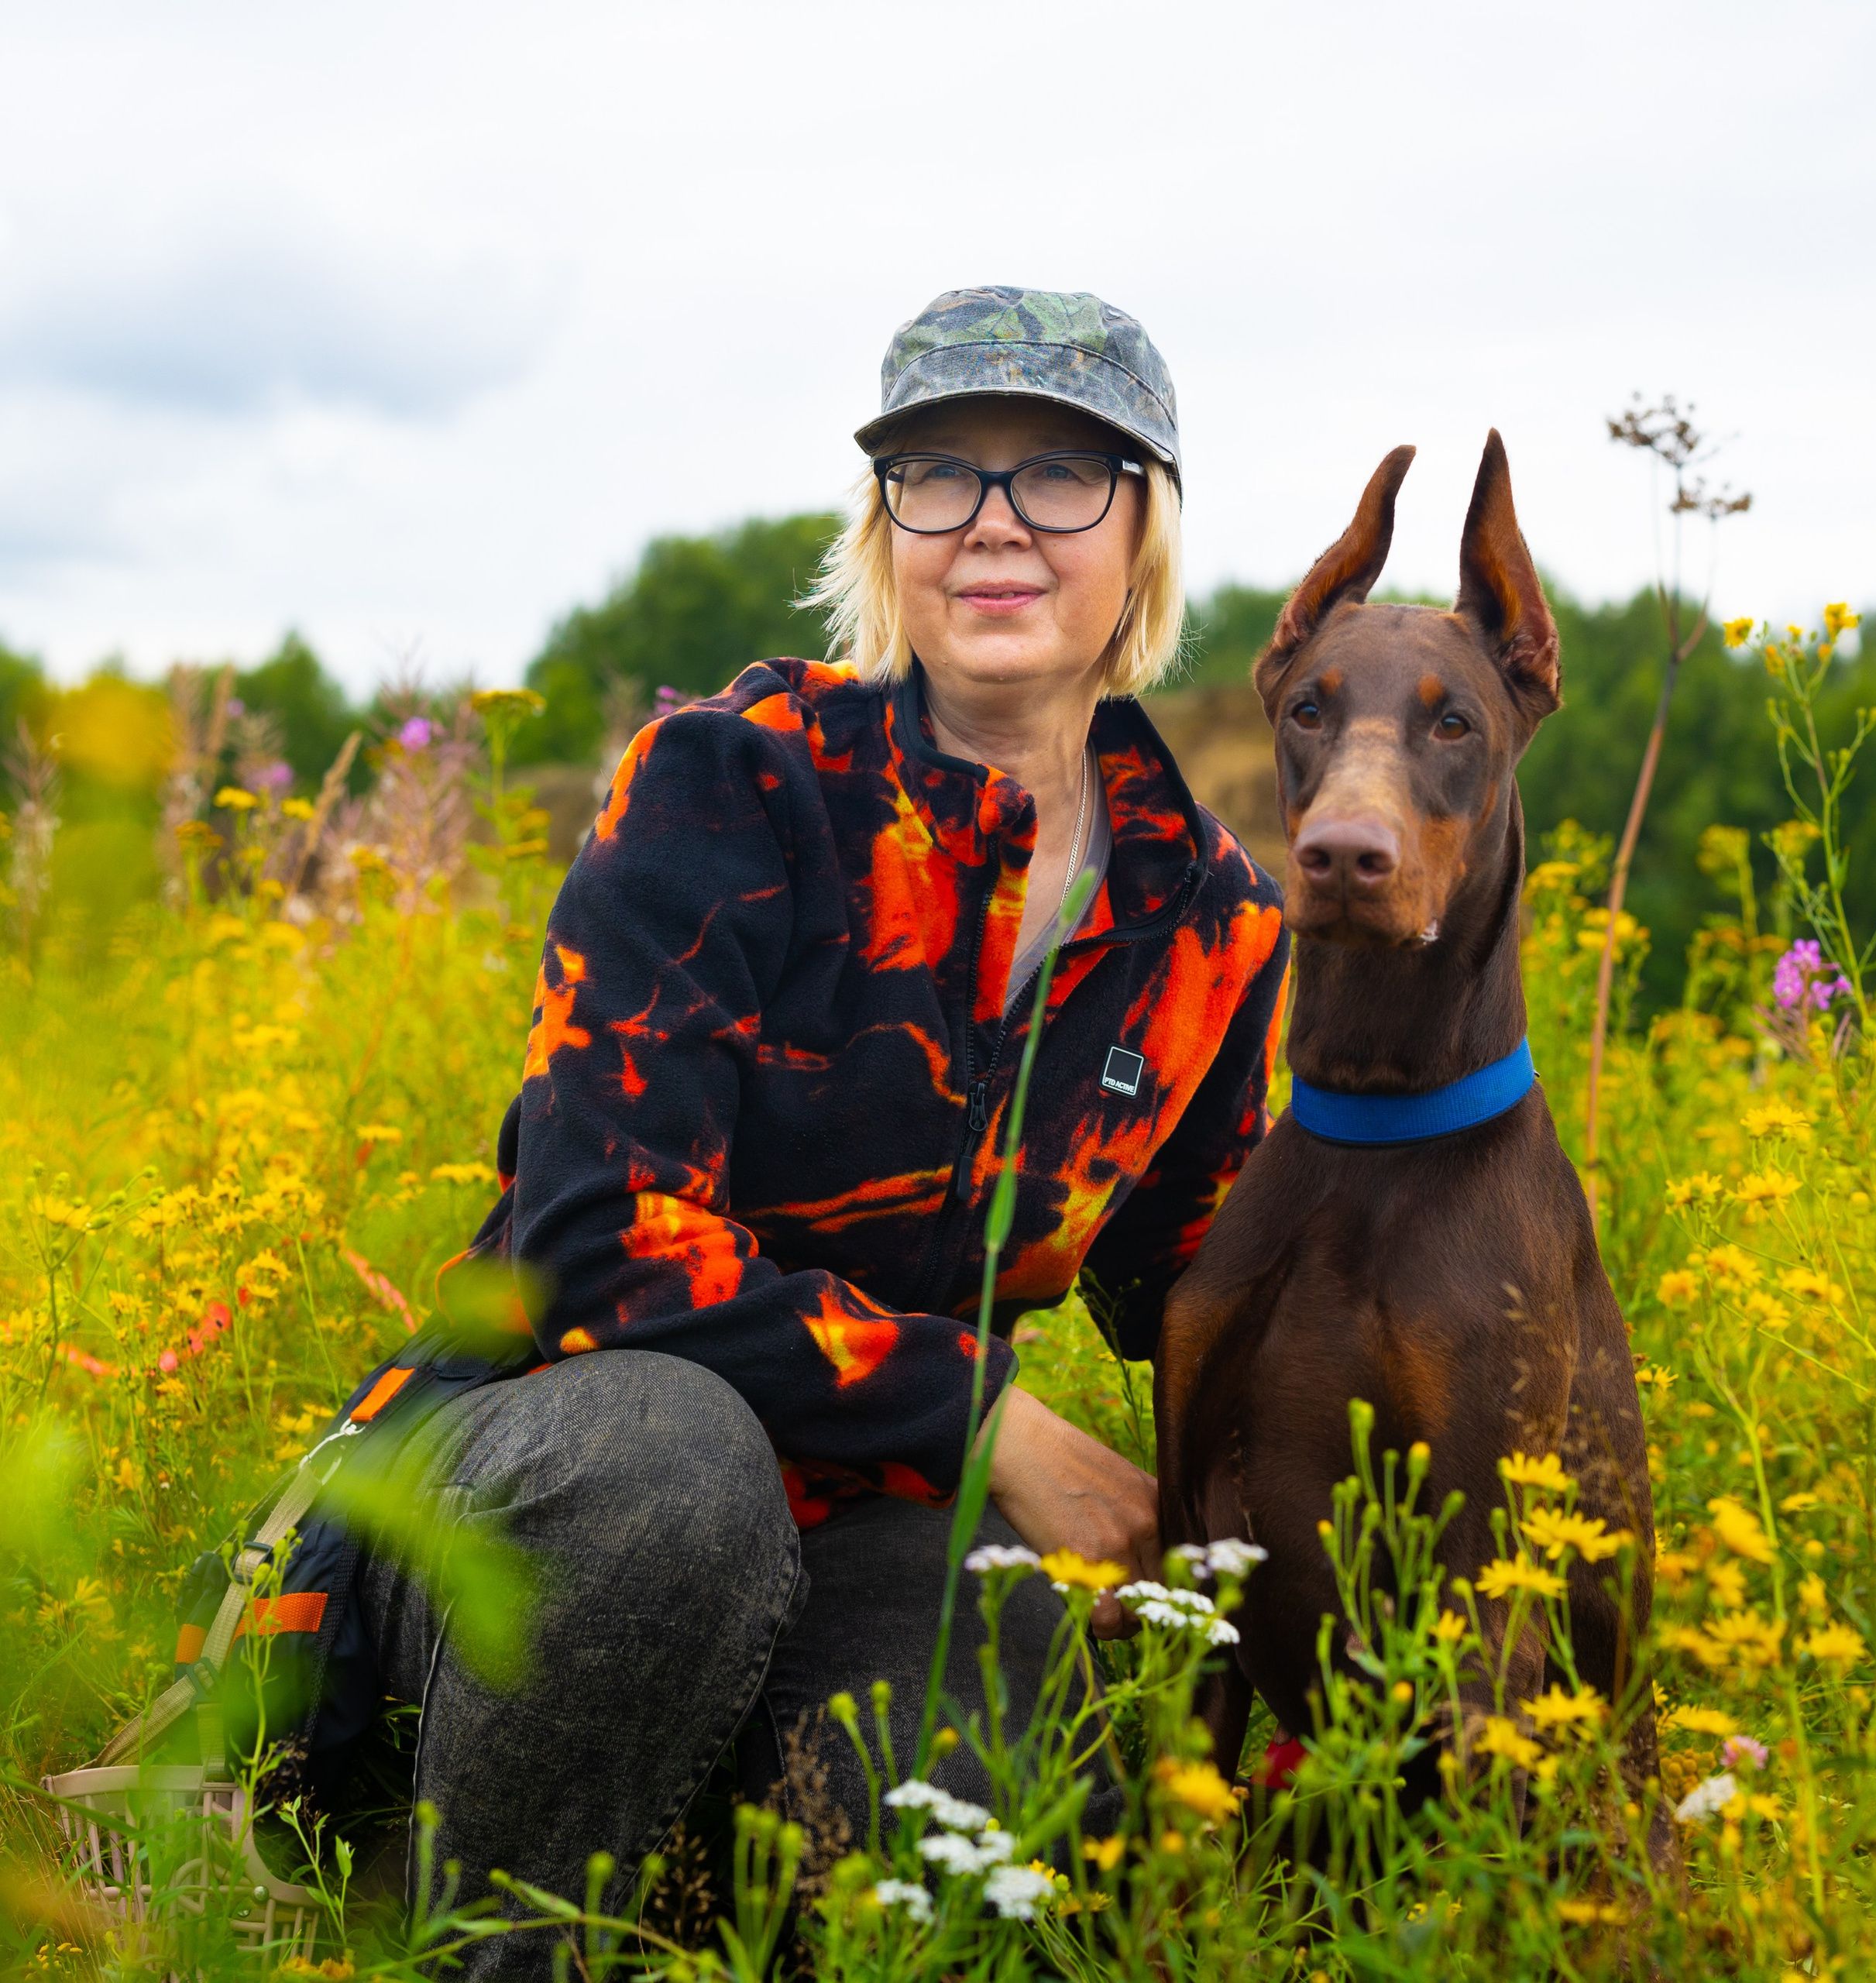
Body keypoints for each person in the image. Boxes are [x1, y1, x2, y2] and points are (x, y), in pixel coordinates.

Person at [359, 286, 1289, 1956]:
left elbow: (1200, 1301)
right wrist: (988, 1421)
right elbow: (593, 1245)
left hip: (862, 1516)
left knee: (1004, 1714)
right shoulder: (734, 782)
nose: (993, 522)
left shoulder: (1208, 921)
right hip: (545, 1459)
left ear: (1145, 524)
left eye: (1059, 474)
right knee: (674, 1464)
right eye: (938, 473)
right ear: (886, 526)